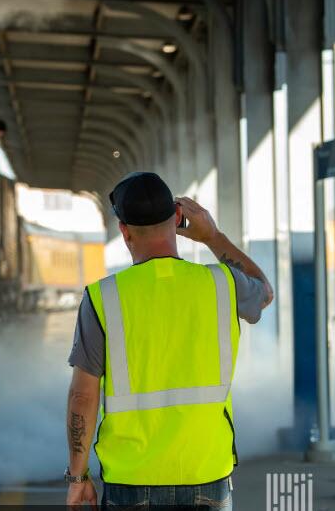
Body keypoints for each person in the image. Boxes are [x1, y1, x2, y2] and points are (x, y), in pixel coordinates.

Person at [64, 172, 274, 509]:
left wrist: (77, 477)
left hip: (132, 480)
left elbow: (82, 394)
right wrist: (213, 236)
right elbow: (265, 290)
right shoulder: (223, 283)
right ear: (177, 218)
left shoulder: (103, 297)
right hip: (207, 474)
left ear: (124, 231)